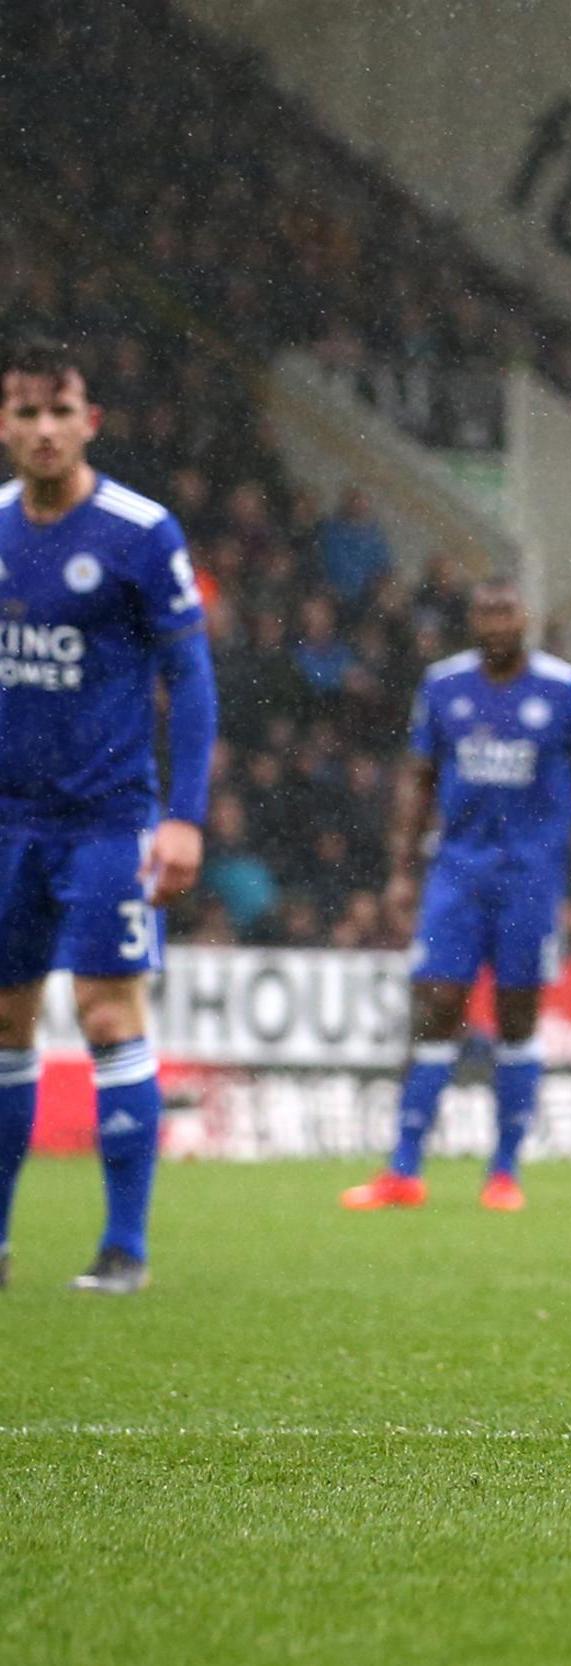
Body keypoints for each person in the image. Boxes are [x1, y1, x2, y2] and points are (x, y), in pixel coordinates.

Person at [0, 337, 217, 1294]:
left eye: (61, 411)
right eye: (25, 412)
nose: (44, 430)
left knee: (104, 1012)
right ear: (4, 425)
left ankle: (124, 1247)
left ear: (90, 421)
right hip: (8, 822)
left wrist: (185, 815)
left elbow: (191, 676)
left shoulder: (139, 531)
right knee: (5, 1023)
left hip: (107, 822)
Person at [341, 579, 571, 1213]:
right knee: (436, 1005)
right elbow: (417, 779)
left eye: (507, 611)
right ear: (472, 621)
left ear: (527, 619)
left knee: (518, 1018)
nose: (496, 623)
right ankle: (404, 1171)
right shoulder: (443, 686)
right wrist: (402, 871)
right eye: (486, 612)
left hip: (530, 878)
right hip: (457, 873)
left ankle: (503, 1172)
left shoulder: (569, 691)